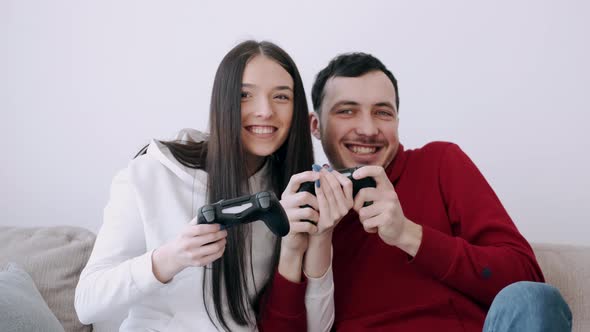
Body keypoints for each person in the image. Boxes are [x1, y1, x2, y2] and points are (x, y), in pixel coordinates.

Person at [74, 40, 336, 332]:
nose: (265, 111)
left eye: (281, 97)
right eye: (244, 95)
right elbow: (87, 303)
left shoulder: (292, 191)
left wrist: (321, 237)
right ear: (222, 101)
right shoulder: (154, 174)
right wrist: (172, 257)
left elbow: (317, 327)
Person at [306, 52, 572, 331]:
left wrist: (408, 234)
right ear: (316, 126)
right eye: (347, 111)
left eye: (382, 112)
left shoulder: (440, 162)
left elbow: (525, 278)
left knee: (531, 298)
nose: (368, 129)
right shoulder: (305, 204)